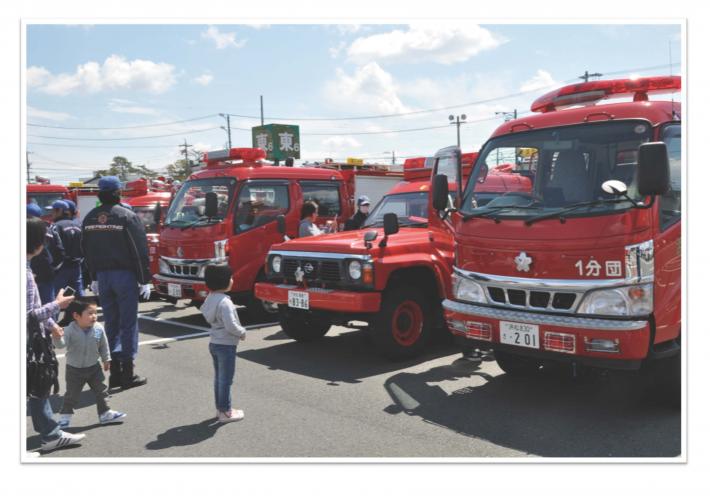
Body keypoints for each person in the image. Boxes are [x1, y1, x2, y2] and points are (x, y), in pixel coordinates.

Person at [81, 176, 151, 391]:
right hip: (124, 276)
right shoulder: (127, 216)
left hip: (102, 277)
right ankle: (128, 375)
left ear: (99, 194)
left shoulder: (90, 218)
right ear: (118, 192)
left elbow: (86, 251)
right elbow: (139, 250)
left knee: (111, 324)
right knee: (128, 324)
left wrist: (91, 277)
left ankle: (114, 375)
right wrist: (144, 280)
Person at [26, 217, 84, 452]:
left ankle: (50, 433)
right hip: (28, 341)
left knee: (37, 387)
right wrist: (57, 306)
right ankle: (50, 435)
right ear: (37, 244)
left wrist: (50, 324)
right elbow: (27, 315)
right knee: (39, 385)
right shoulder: (25, 274)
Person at [52, 298, 126, 428]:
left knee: (101, 391)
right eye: (90, 313)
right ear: (76, 316)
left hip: (94, 367)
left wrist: (106, 358)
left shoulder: (98, 328)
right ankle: (65, 417)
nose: (94, 316)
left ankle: (105, 413)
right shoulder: (70, 330)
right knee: (71, 395)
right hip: (74, 369)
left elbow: (103, 344)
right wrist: (56, 337)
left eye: (95, 313)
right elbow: (61, 345)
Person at [199, 265, 246, 423]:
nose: (232, 280)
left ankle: (221, 408)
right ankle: (225, 411)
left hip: (214, 342)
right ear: (224, 282)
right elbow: (231, 325)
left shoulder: (210, 298)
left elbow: (207, 314)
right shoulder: (225, 302)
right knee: (226, 379)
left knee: (219, 378)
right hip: (226, 345)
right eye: (230, 278)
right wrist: (242, 332)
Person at [27, 203, 65, 305]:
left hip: (32, 273)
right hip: (46, 273)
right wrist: (53, 268)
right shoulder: (50, 228)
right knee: (49, 303)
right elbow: (60, 251)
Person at [51, 200, 84, 298]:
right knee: (78, 296)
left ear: (60, 211)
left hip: (61, 268)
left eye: (53, 211)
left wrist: (56, 266)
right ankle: (81, 313)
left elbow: (54, 248)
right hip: (76, 266)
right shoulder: (78, 225)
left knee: (58, 298)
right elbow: (84, 246)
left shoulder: (55, 227)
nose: (51, 214)